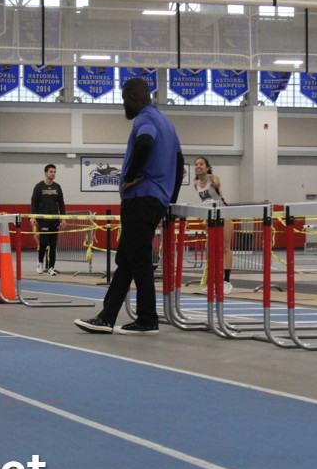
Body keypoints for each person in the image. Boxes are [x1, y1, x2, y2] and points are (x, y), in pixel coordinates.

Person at [75, 77, 184, 335]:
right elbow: (180, 163)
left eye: (125, 101)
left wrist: (129, 177)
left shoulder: (144, 119)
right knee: (127, 257)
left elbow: (145, 142)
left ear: (133, 98)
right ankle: (107, 317)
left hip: (140, 198)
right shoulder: (167, 124)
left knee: (138, 258)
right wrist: (169, 199)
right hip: (155, 199)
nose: (124, 106)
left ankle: (147, 319)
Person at [193, 156, 235, 294]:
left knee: (225, 247)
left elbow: (217, 183)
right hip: (211, 219)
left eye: (201, 164)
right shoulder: (196, 184)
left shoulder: (213, 178)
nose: (198, 166)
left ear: (207, 167)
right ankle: (213, 281)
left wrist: (216, 183)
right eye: (196, 164)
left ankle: (226, 281)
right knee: (211, 249)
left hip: (224, 215)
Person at [30, 163, 66, 275]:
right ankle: (40, 262)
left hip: (54, 220)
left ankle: (51, 267)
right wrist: (33, 216)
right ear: (46, 173)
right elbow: (34, 203)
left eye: (54, 172)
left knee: (53, 244)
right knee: (44, 242)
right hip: (43, 220)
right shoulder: (39, 186)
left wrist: (63, 218)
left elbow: (61, 203)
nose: (53, 174)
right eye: (51, 172)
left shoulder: (57, 187)